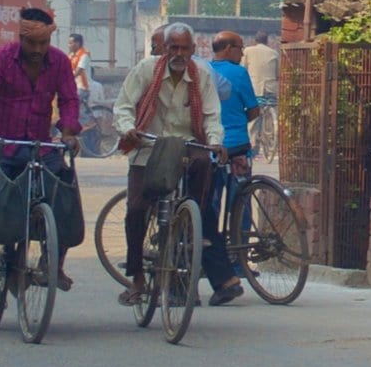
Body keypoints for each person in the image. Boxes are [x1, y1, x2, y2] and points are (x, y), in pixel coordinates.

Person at [0, 7, 82, 288]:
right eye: (32, 43)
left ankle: (53, 263)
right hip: (2, 145)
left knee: (65, 195)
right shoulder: (2, 58)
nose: (38, 49)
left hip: (41, 147)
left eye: (44, 43)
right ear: (20, 38)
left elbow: (70, 101)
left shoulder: (60, 62)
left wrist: (69, 131)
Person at [113, 22, 231, 307]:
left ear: (193, 50)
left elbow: (213, 115)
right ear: (164, 49)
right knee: (136, 210)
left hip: (187, 147)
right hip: (149, 146)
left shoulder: (202, 74)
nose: (179, 53)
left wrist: (216, 141)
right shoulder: (145, 70)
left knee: (206, 164)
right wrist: (128, 128)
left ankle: (194, 225)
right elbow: (124, 106)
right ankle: (137, 277)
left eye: (184, 48)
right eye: (173, 47)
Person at [201, 31, 262, 305]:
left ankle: (213, 258)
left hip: (211, 150)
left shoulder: (201, 71)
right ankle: (239, 261)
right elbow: (254, 110)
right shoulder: (238, 74)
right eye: (239, 47)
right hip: (237, 147)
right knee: (241, 205)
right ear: (227, 48)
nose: (241, 52)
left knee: (210, 206)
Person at [242, 32, 280, 157]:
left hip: (255, 88)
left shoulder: (248, 51)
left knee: (253, 118)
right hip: (270, 89)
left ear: (255, 40)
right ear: (267, 41)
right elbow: (278, 74)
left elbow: (243, 69)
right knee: (270, 114)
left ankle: (252, 144)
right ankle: (270, 138)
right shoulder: (274, 53)